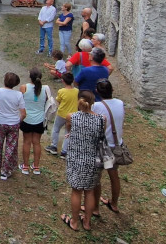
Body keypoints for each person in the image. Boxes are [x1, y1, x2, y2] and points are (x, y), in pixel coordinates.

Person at [61, 91, 105, 232]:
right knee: (90, 191)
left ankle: (74, 221)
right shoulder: (101, 119)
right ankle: (87, 222)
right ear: (93, 102)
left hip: (76, 159)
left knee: (76, 191)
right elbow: (101, 135)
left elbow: (69, 129)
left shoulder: (71, 117)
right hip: (93, 159)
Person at [92, 79, 125, 213]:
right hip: (116, 145)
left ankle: (95, 208)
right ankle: (114, 203)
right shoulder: (120, 103)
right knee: (114, 175)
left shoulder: (97, 107)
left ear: (97, 92)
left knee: (96, 179)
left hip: (102, 146)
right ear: (112, 90)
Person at [0, 72, 25, 179]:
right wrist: (18, 121)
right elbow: (23, 113)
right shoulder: (18, 95)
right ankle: (6, 171)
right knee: (11, 147)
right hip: (13, 123)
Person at [18, 68, 51, 175]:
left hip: (27, 119)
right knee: (37, 142)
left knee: (26, 142)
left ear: (30, 77)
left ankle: (25, 166)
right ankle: (36, 166)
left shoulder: (24, 87)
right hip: (40, 119)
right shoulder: (45, 89)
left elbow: (20, 100)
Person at [45, 71, 77, 158]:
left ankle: (54, 146)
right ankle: (64, 151)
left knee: (56, 129)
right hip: (72, 115)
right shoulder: (77, 91)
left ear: (63, 81)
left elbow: (58, 101)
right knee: (68, 132)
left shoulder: (61, 91)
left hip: (62, 113)